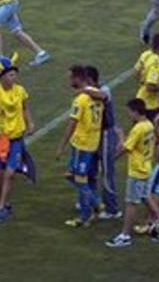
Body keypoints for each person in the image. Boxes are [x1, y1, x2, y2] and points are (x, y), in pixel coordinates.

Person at [0, 55, 35, 222]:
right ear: (1, 76)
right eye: (10, 74)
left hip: (16, 138)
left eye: (14, 74)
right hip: (0, 139)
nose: (14, 77)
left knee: (10, 173)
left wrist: (30, 122)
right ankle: (5, 202)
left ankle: (1, 207)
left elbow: (25, 108)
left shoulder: (20, 91)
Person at [106, 98, 159, 247]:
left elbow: (125, 148)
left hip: (137, 171)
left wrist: (119, 136)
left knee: (131, 203)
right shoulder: (149, 125)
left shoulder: (138, 129)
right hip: (146, 167)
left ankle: (125, 235)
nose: (129, 115)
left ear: (136, 111)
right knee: (145, 197)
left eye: (130, 112)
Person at [55, 65, 103, 227]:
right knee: (74, 175)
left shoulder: (81, 99)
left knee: (80, 179)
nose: (69, 80)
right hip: (93, 143)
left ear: (77, 78)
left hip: (82, 145)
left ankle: (88, 212)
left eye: (70, 77)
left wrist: (61, 146)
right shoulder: (97, 95)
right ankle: (91, 206)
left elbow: (72, 123)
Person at [87, 65, 123, 219]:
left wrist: (83, 89)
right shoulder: (88, 93)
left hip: (106, 134)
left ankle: (112, 209)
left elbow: (102, 95)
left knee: (107, 172)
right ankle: (93, 202)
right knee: (91, 170)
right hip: (94, 134)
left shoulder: (104, 90)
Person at [134, 33, 159, 118]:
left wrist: (142, 81)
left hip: (140, 98)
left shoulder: (146, 54)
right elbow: (150, 86)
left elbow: (136, 72)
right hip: (151, 105)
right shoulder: (157, 64)